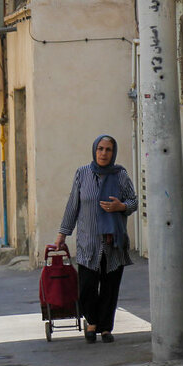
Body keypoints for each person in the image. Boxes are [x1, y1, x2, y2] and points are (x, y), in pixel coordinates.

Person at [54, 135, 138, 344]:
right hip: (88, 243)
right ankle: (92, 322)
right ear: (94, 150)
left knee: (110, 287)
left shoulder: (120, 175)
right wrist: (62, 234)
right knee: (87, 287)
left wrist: (121, 206)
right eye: (100, 149)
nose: (103, 153)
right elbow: (73, 205)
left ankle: (105, 328)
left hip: (113, 243)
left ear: (113, 153)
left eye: (108, 150)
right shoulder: (82, 174)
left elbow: (133, 201)